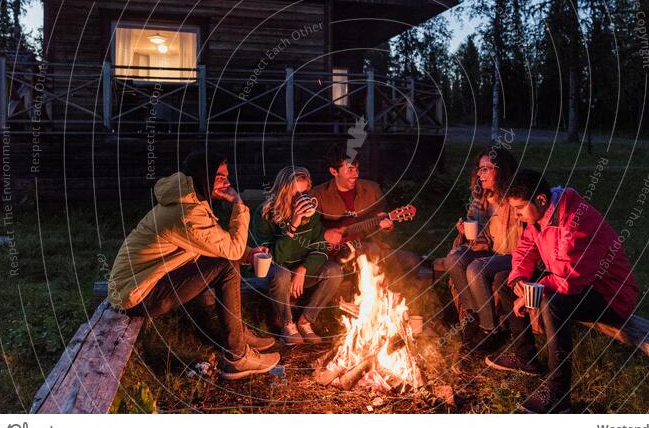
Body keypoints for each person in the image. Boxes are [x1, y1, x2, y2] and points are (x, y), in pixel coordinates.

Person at [108, 150, 280, 380]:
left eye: (226, 176)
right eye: (220, 177)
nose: (227, 182)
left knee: (225, 261)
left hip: (138, 283)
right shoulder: (187, 213)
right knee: (227, 265)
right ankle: (237, 356)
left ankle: (238, 335)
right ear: (203, 176)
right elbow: (230, 251)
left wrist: (249, 255)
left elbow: (214, 243)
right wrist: (239, 205)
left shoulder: (189, 199)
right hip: (136, 294)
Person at [484, 169, 639, 413]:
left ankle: (558, 397)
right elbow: (525, 250)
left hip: (610, 296)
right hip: (573, 283)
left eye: (520, 208)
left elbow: (570, 280)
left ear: (541, 200)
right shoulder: (539, 218)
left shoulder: (577, 220)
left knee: (551, 302)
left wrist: (533, 291)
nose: (517, 215)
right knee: (506, 278)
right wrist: (520, 280)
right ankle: (526, 359)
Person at [310, 145, 424, 291]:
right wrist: (326, 235)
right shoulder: (318, 195)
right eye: (350, 169)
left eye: (357, 169)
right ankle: (369, 298)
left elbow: (385, 224)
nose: (355, 174)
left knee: (411, 260)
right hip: (335, 253)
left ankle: (389, 301)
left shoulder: (372, 190)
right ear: (334, 171)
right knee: (370, 249)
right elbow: (308, 229)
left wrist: (387, 226)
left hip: (370, 246)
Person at [441, 147, 521, 350]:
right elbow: (480, 237)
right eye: (479, 169)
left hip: (514, 256)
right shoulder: (481, 198)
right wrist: (468, 231)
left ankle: (489, 329)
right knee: (454, 258)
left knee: (475, 268)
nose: (479, 174)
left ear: (501, 170)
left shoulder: (515, 198)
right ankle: (473, 317)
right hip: (490, 252)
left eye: (485, 169)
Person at [254, 166, 344, 345]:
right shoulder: (265, 214)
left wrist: (303, 269)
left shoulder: (312, 214)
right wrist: (292, 226)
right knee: (282, 273)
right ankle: (287, 324)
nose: (300, 199)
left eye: (304, 193)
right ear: (283, 191)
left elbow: (320, 248)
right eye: (295, 194)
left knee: (334, 271)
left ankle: (305, 321)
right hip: (273, 274)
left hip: (300, 272)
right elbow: (272, 259)